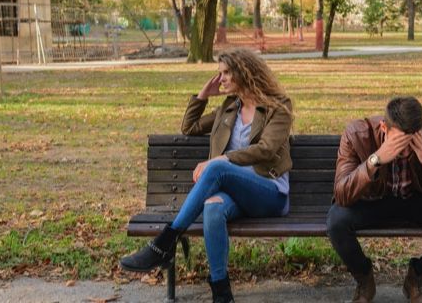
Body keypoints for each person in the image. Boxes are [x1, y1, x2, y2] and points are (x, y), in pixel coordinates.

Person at [120, 49, 293, 303]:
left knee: (216, 168)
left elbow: (266, 149)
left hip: (269, 192)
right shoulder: (229, 108)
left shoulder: (278, 106)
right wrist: (202, 96)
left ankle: (165, 242)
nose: (220, 78)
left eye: (225, 72)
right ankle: (221, 292)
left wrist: (223, 159)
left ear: (244, 72)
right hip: (236, 192)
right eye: (219, 73)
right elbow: (189, 127)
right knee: (212, 207)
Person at [326, 97, 422, 303]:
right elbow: (341, 194)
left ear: (420, 133)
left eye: (410, 143)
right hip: (374, 202)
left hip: (416, 201)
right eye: (398, 143)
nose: (404, 152)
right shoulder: (356, 135)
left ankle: (417, 278)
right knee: (336, 221)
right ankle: (364, 280)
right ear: (384, 128)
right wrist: (376, 159)